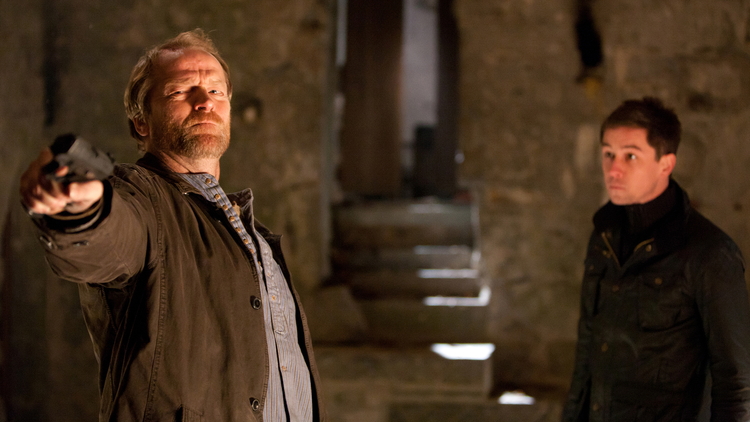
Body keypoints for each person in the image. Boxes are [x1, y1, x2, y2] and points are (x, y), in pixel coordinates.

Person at [19, 29, 326, 422]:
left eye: (215, 91)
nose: (204, 102)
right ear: (141, 123)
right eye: (180, 91)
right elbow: (110, 237)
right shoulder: (141, 199)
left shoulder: (254, 236)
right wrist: (80, 211)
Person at [562, 97, 750, 421]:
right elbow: (588, 354)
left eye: (631, 156)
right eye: (608, 154)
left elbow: (736, 383)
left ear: (666, 164)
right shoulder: (603, 236)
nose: (614, 169)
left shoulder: (710, 254)